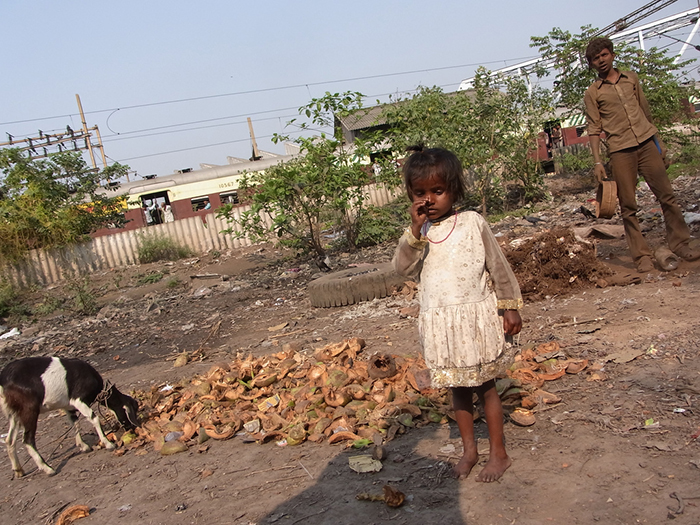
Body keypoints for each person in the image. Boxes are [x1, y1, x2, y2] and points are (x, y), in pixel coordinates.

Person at [393, 147, 523, 483]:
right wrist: (414, 231)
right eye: (420, 193)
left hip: (474, 320)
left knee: (486, 388)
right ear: (411, 196)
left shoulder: (471, 223)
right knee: (458, 390)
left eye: (437, 191)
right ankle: (469, 451)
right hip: (442, 325)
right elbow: (401, 269)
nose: (429, 200)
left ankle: (499, 453)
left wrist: (509, 306)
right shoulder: (418, 236)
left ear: (454, 190)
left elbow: (498, 267)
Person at [584, 37, 700, 272]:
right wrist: (597, 161)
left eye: (604, 55)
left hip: (647, 143)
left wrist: (659, 143)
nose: (601, 61)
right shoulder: (593, 93)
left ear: (612, 55)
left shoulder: (632, 79)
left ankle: (680, 243)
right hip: (620, 150)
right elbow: (594, 128)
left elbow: (644, 112)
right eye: (596, 59)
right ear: (592, 65)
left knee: (667, 196)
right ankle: (641, 256)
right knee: (628, 206)